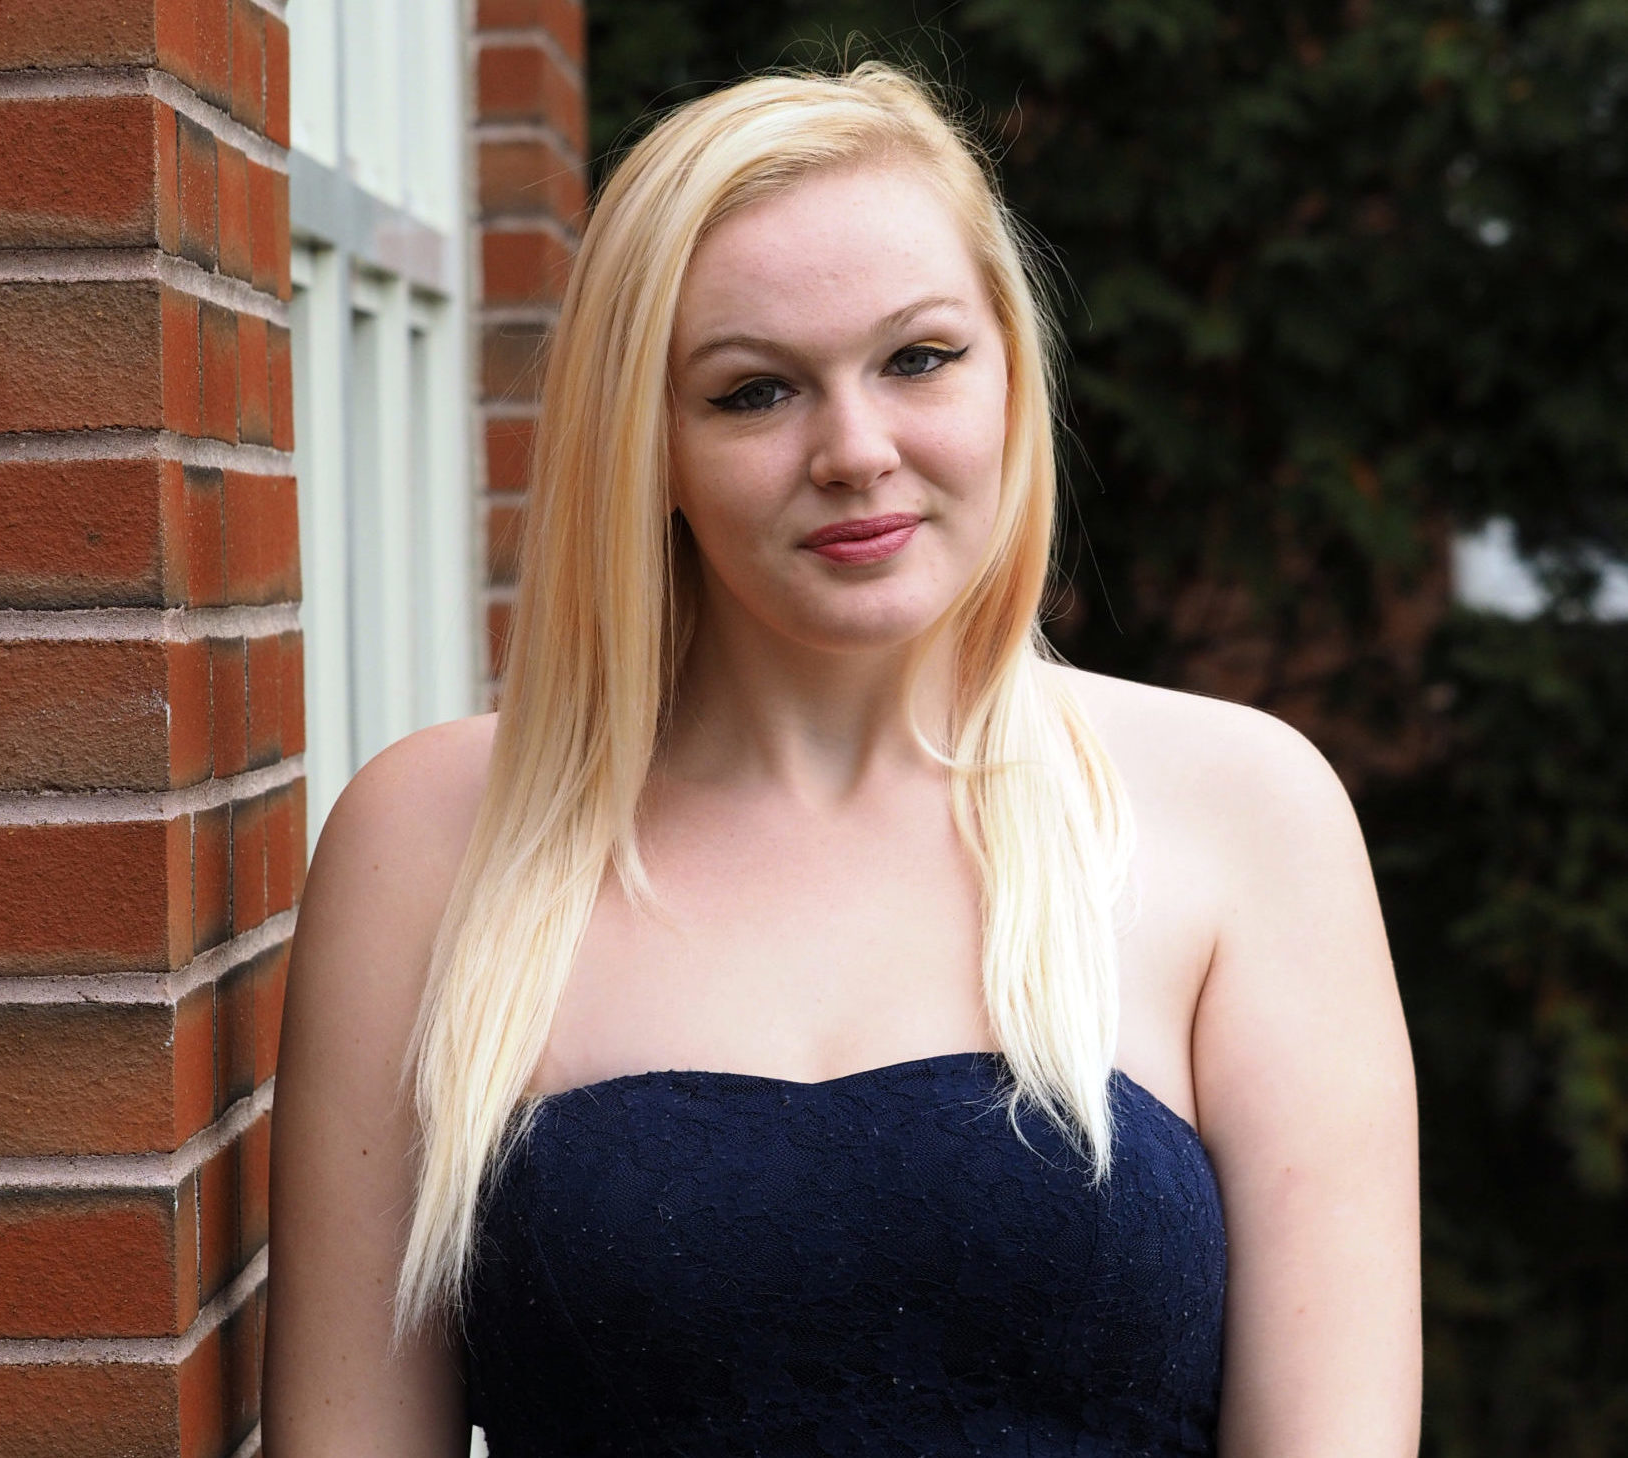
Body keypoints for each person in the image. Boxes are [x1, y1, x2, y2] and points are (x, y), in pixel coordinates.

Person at [263, 63, 1422, 1457]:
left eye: (919, 359)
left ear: (1009, 369)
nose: (856, 450)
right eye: (755, 392)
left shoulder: (1245, 813)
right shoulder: (435, 837)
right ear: (651, 446)